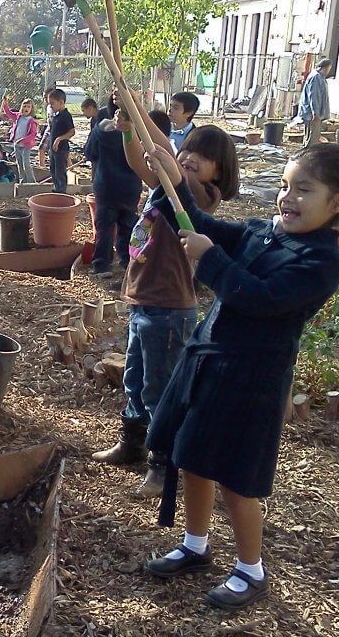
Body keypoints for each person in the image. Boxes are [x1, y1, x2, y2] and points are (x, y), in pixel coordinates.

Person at [143, 143, 339, 610]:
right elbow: (202, 226)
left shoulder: (319, 263)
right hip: (209, 364)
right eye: (285, 186)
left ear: (338, 203)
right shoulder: (262, 233)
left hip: (251, 382)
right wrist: (171, 182)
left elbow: (259, 298)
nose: (287, 198)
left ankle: (251, 568)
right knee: (193, 457)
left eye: (303, 190)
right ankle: (196, 543)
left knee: (236, 479)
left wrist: (210, 260)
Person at [92, 108, 239, 498]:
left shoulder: (203, 196)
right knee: (135, 380)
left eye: (202, 157)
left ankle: (163, 465)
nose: (190, 157)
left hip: (170, 308)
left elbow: (168, 162)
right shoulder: (164, 184)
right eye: (188, 149)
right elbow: (142, 164)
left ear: (219, 173)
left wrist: (140, 110)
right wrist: (128, 132)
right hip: (143, 299)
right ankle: (132, 444)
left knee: (160, 389)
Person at [84, 111, 142, 273]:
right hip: (130, 186)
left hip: (106, 186)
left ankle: (102, 265)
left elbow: (89, 152)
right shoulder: (137, 129)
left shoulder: (100, 130)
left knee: (104, 226)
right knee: (127, 224)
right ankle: (127, 261)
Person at [38, 88, 76, 193]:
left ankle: (61, 192)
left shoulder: (66, 116)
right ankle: (56, 189)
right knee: (53, 171)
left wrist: (60, 139)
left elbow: (72, 132)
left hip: (62, 150)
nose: (50, 106)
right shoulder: (56, 116)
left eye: (52, 103)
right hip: (53, 150)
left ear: (61, 102)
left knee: (60, 172)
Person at [1, 95, 40, 183]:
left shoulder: (31, 121)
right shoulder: (18, 116)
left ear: (31, 109)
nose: (26, 108)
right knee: (19, 163)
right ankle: (22, 181)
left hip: (26, 145)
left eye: (29, 107)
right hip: (17, 144)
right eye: (24, 106)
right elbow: (8, 113)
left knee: (26, 163)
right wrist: (5, 104)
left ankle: (31, 182)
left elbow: (33, 134)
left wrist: (23, 139)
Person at [299, 58, 332, 147]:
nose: (328, 71)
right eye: (328, 69)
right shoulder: (316, 77)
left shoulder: (319, 77)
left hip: (313, 113)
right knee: (312, 139)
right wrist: (315, 112)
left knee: (311, 137)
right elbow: (314, 96)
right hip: (312, 114)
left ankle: (305, 155)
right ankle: (307, 157)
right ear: (325, 68)